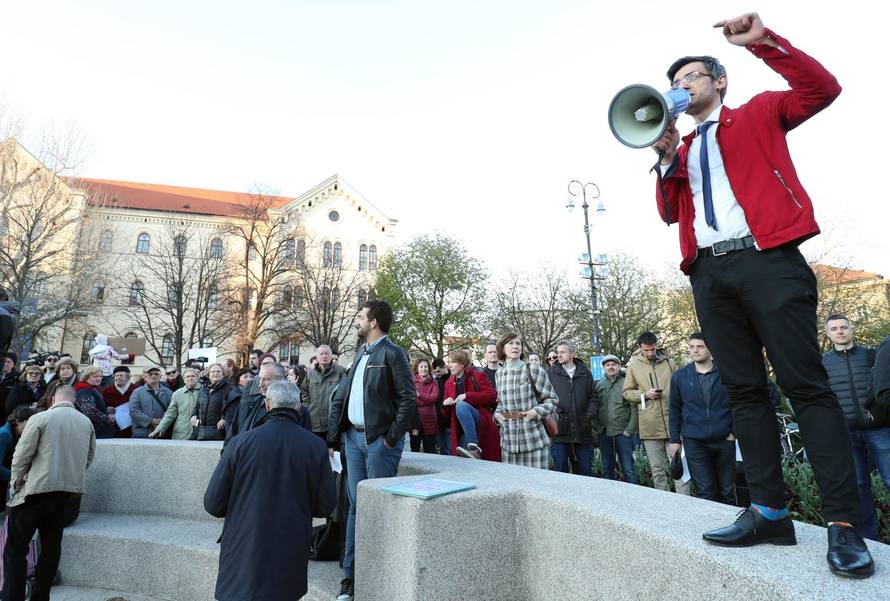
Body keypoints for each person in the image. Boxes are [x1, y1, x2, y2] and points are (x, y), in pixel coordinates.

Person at [650, 11, 873, 576]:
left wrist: (764, 43)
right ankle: (769, 511)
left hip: (768, 259)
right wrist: (664, 157)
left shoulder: (757, 113)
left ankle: (845, 525)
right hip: (710, 274)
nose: (682, 87)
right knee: (746, 394)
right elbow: (669, 214)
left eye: (692, 78)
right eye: (674, 83)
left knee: (806, 387)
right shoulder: (684, 145)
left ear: (718, 82)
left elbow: (822, 89)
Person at [205, 380, 336, 600]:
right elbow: (326, 505)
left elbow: (213, 503)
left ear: (267, 405)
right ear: (298, 408)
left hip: (242, 550)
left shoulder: (240, 443)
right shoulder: (315, 446)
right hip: (289, 550)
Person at [327, 300, 415, 601]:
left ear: (373, 322)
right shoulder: (360, 353)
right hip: (352, 440)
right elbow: (343, 396)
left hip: (378, 443)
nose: (357, 321)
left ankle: (380, 576)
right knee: (355, 507)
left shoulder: (393, 353)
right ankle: (350, 578)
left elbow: (408, 400)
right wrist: (334, 437)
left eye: (361, 317)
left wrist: (389, 439)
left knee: (378, 507)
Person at [4, 385, 95, 601]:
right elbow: (89, 457)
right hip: (66, 494)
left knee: (16, 549)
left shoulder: (40, 418)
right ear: (74, 400)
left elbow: (21, 455)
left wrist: (16, 483)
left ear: (54, 398)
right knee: (51, 548)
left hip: (34, 492)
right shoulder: (86, 422)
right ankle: (41, 597)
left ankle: (12, 597)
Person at [821, 314, 887, 542]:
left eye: (843, 327)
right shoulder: (823, 363)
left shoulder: (872, 355)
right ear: (828, 334)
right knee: (859, 487)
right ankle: (871, 540)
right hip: (846, 433)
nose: (840, 331)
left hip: (878, 429)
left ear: (851, 329)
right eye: (834, 329)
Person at [668, 333, 736, 505]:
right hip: (694, 442)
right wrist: (675, 440)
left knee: (727, 490)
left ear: (710, 348)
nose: (695, 350)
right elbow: (674, 409)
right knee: (705, 491)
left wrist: (734, 432)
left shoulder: (726, 373)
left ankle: (732, 528)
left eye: (700, 346)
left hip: (724, 440)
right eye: (691, 347)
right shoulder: (680, 377)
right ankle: (710, 529)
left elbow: (737, 404)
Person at [623, 332, 690, 495]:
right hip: (650, 426)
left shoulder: (669, 363)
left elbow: (683, 387)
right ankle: (665, 506)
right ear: (640, 348)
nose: (650, 353)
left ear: (656, 346)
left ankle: (685, 504)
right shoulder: (634, 366)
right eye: (646, 350)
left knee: (679, 468)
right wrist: (645, 394)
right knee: (657, 471)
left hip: (673, 424)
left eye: (652, 349)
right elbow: (626, 392)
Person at [492, 332, 557, 469]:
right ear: (502, 348)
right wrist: (497, 415)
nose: (515, 346)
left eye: (518, 343)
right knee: (514, 487)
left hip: (534, 440)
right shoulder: (499, 374)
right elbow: (501, 403)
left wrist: (535, 411)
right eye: (510, 343)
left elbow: (552, 400)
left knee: (538, 486)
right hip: (508, 443)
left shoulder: (533, 370)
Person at [547, 341, 599, 476]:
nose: (559, 355)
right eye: (558, 352)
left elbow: (593, 396)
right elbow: (544, 397)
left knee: (585, 471)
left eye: (562, 352)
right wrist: (555, 415)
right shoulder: (550, 373)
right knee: (561, 471)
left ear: (573, 354)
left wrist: (588, 416)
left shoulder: (585, 373)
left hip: (581, 429)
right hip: (559, 430)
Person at [443, 350, 497, 461]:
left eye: (452, 362)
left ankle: (473, 445)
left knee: (461, 405)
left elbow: (492, 396)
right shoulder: (448, 383)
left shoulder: (477, 376)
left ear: (462, 364)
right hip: (460, 428)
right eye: (449, 362)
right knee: (463, 465)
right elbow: (447, 415)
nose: (449, 365)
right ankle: (471, 446)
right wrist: (445, 405)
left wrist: (468, 396)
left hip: (480, 420)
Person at [597, 355, 638, 484]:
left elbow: (634, 408)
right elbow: (595, 406)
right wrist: (597, 428)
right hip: (605, 433)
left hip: (623, 433)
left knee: (628, 468)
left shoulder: (626, 383)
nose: (611, 367)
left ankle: (634, 497)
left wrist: (629, 430)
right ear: (604, 367)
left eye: (613, 364)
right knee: (608, 469)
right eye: (607, 365)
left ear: (619, 366)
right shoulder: (599, 384)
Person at [227, 363, 291, 445]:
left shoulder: (296, 409)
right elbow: (231, 438)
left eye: (266, 379)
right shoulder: (247, 404)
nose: (261, 384)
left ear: (281, 380)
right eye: (260, 379)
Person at [301, 345, 345, 441]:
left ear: (331, 356)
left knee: (332, 453)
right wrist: (308, 407)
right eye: (321, 354)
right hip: (314, 422)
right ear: (317, 357)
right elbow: (304, 393)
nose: (324, 356)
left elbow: (345, 393)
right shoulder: (310, 374)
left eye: (326, 354)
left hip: (333, 422)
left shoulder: (340, 371)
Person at [0, 406, 37, 512]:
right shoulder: (4, 435)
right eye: (29, 423)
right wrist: (17, 477)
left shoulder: (14, 434)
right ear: (18, 421)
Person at [149, 368, 202, 440]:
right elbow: (170, 413)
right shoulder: (177, 393)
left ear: (197, 378)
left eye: (193, 376)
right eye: (188, 376)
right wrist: (160, 428)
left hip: (199, 433)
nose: (190, 378)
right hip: (181, 433)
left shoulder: (204, 391)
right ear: (184, 379)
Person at [190, 363, 231, 441]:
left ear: (223, 374)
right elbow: (197, 405)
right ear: (208, 374)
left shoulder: (229, 388)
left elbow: (232, 408)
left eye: (218, 371)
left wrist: (225, 418)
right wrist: (194, 415)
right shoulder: (203, 389)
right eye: (213, 371)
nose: (215, 373)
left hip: (219, 430)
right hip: (200, 430)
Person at [129, 367, 173, 438]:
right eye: (150, 374)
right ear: (146, 377)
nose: (153, 376)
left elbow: (172, 411)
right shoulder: (137, 392)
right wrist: (150, 421)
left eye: (156, 374)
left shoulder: (168, 392)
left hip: (162, 432)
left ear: (160, 377)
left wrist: (162, 423)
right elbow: (134, 411)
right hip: (141, 432)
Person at [73, 366, 116, 439]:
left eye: (100, 376)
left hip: (95, 429)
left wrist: (108, 410)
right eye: (95, 376)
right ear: (86, 377)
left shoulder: (93, 388)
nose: (99, 379)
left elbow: (95, 406)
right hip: (93, 430)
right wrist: (107, 418)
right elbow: (90, 411)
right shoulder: (84, 390)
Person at [411, 358, 439, 454]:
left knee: (430, 452)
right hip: (415, 422)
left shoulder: (434, 382)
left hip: (430, 422)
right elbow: (410, 400)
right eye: (421, 367)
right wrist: (427, 400)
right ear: (417, 368)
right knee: (415, 452)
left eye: (426, 366)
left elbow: (434, 398)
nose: (424, 369)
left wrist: (419, 395)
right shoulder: (411, 382)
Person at [102, 365, 137, 437]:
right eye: (116, 375)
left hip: (133, 425)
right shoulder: (107, 390)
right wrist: (107, 410)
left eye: (121, 375)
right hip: (114, 426)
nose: (118, 377)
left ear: (128, 377)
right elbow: (102, 406)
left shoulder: (136, 390)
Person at [222, 369, 253, 436]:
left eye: (251, 377)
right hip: (236, 434)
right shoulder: (236, 396)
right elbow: (233, 418)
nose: (249, 379)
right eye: (245, 377)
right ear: (238, 380)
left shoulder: (251, 393)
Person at [431, 358, 451, 456]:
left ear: (444, 367)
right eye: (435, 372)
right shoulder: (435, 381)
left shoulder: (453, 378)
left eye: (438, 371)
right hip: (438, 420)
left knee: (450, 449)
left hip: (450, 419)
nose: (437, 374)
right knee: (443, 449)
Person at [0, 353, 20, 423]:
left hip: (5, 415)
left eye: (8, 362)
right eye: (4, 361)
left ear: (13, 364)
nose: (5, 364)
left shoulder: (17, 378)